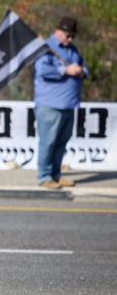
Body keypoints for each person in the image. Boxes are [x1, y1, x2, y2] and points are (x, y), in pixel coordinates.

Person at [33, 16, 88, 189]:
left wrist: (81, 71)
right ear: (58, 31)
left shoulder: (73, 50)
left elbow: (83, 66)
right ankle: (44, 176)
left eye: (73, 36)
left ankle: (56, 175)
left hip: (69, 104)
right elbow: (42, 70)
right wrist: (65, 70)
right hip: (50, 105)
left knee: (61, 142)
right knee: (48, 141)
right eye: (67, 35)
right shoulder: (46, 48)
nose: (70, 39)